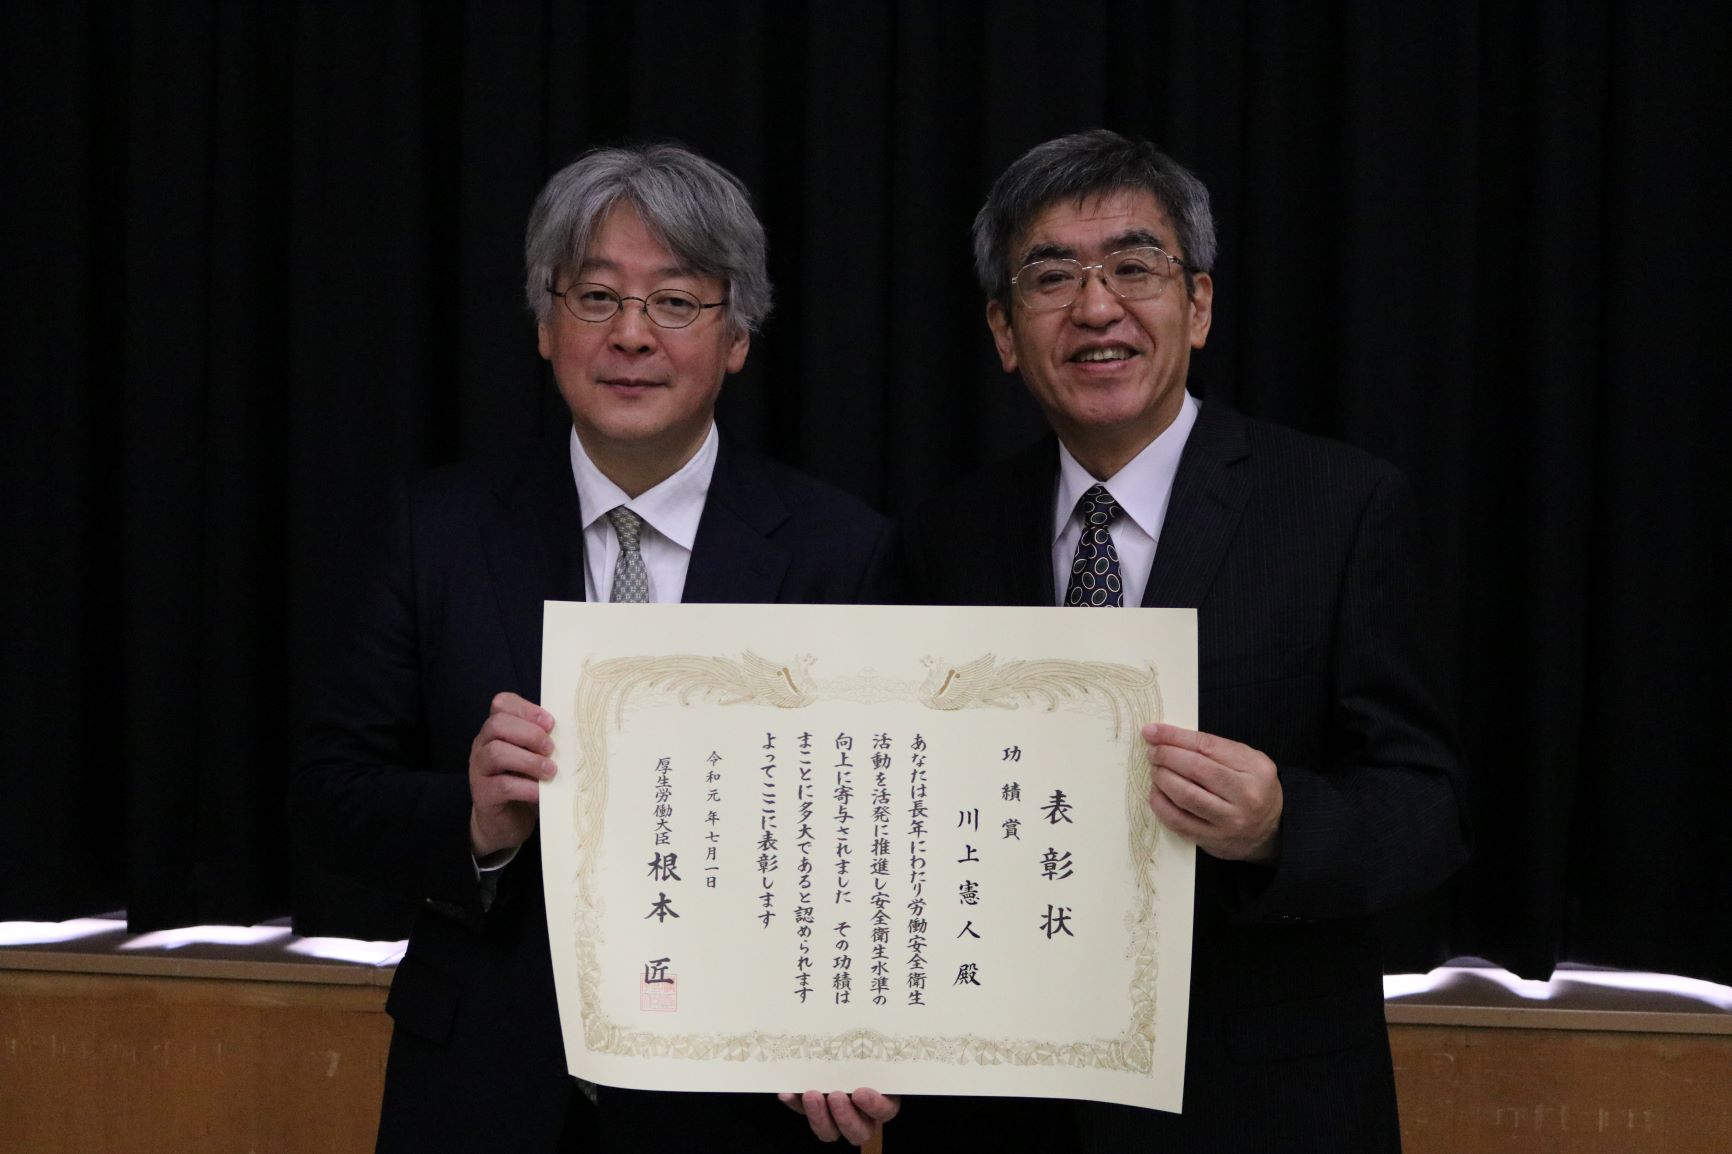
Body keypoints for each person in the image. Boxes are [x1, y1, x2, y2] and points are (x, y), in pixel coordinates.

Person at [290, 143, 898, 1154]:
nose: (631, 333)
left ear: (737, 336)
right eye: (597, 296)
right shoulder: (439, 529)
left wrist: (849, 1026)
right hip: (480, 1091)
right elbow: (328, 793)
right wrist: (474, 820)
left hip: (735, 1110)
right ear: (545, 323)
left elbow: (876, 832)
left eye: (675, 301)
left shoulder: (841, 549)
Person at [894, 129, 1470, 1152]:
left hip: (1258, 1102)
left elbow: (1427, 807)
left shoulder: (1339, 507)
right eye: (1051, 276)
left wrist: (1282, 823)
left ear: (1197, 305)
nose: (1096, 307)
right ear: (1003, 330)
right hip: (1002, 1107)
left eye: (1134, 266)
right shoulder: (949, 535)